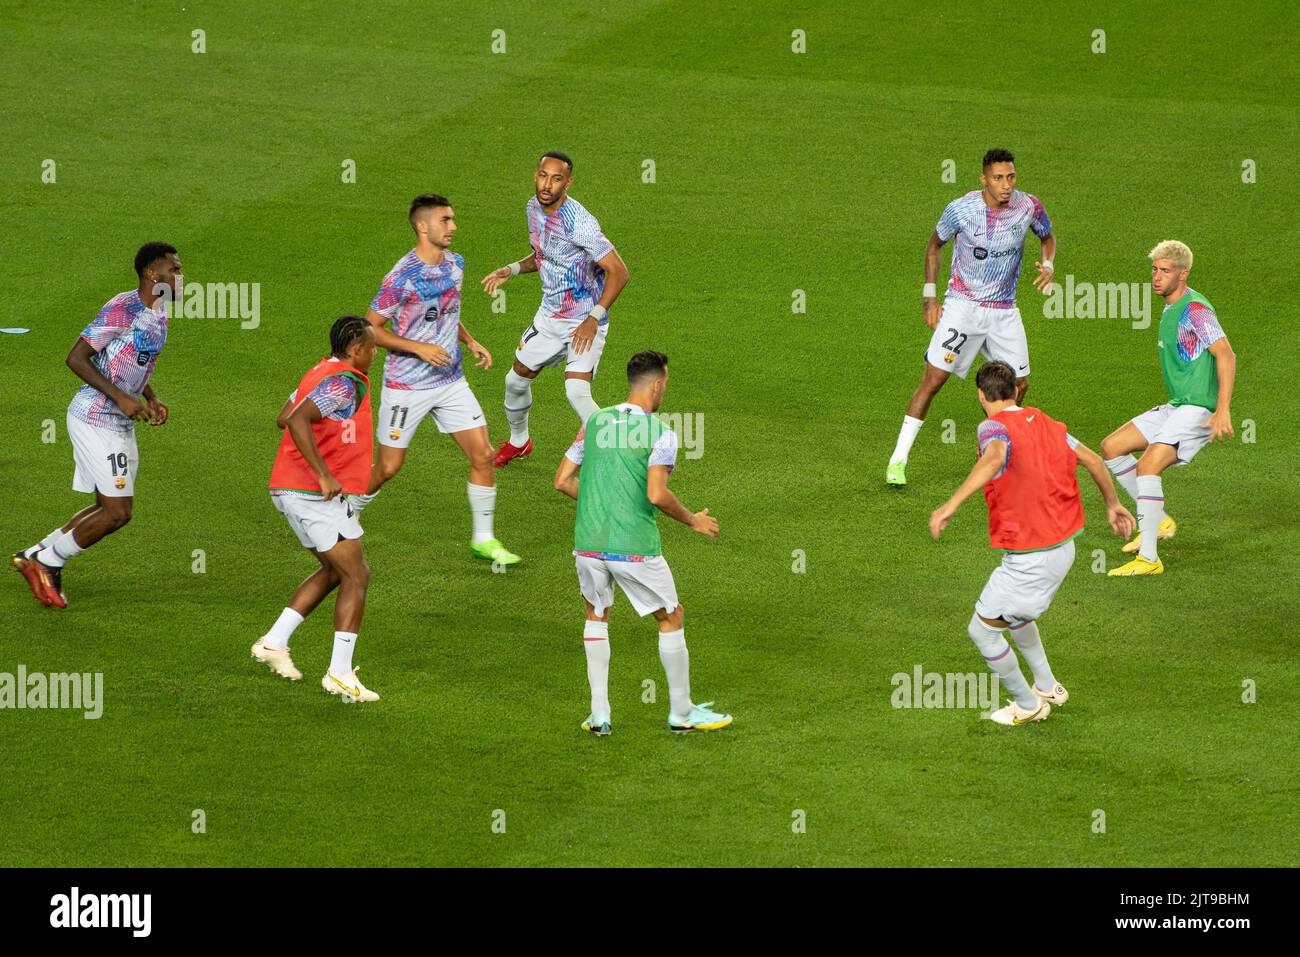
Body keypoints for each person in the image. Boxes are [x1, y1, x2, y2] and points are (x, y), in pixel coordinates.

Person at [929, 361, 1134, 726]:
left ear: (981, 395)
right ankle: (1047, 686)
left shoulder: (991, 426)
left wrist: (951, 504)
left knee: (983, 631)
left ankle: (1027, 705)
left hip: (1032, 558)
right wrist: (1113, 504)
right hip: (1063, 547)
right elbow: (1091, 459)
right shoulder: (1047, 423)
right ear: (1016, 391)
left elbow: (994, 457)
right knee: (1016, 618)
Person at [553, 350, 730, 736]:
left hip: (588, 542)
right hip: (632, 545)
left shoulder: (595, 421)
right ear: (657, 385)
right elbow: (656, 494)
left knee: (597, 615)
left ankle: (599, 715)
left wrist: (602, 503)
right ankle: (681, 713)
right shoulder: (660, 432)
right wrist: (693, 520)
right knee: (670, 616)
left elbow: (563, 480)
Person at [14, 243, 180, 608]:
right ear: (153, 274)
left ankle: (36, 553)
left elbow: (129, 360)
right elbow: (77, 357)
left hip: (120, 422)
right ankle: (48, 562)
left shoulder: (159, 312)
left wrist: (150, 396)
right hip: (95, 417)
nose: (181, 278)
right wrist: (121, 398)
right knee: (117, 511)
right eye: (175, 270)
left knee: (107, 505)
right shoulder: (124, 308)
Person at [887, 149, 1056, 486]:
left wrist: (1048, 264)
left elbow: (1047, 237)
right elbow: (934, 246)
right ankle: (898, 461)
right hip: (963, 307)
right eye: (998, 178)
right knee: (934, 379)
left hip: (1004, 311)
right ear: (983, 179)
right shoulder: (961, 210)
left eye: (1010, 177)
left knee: (1019, 385)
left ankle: (994, 447)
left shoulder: (1028, 206)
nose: (1006, 185)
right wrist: (929, 297)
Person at [253, 316, 381, 703]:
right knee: (357, 576)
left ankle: (274, 642)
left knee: (335, 571)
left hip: (288, 487)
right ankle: (340, 675)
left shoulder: (319, 371)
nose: (376, 353)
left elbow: (283, 415)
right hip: (312, 493)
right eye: (373, 347)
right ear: (356, 350)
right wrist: (324, 474)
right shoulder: (343, 382)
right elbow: (295, 420)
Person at [482, 150, 630, 467]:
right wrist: (511, 269)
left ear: (568, 183)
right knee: (515, 380)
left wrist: (594, 319)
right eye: (543, 175)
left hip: (584, 321)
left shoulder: (582, 225)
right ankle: (519, 441)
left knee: (576, 391)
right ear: (536, 176)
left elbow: (619, 272)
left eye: (556, 178)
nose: (547, 184)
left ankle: (619, 455)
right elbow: (543, 255)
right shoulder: (533, 209)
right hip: (549, 318)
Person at [1100, 240, 1236, 576]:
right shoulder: (1170, 308)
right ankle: (1158, 521)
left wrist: (1222, 410)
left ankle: (1149, 558)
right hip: (1178, 406)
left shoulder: (1195, 310)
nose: (1156, 277)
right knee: (1112, 447)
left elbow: (1226, 354)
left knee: (1148, 466)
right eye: (1154, 270)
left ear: (1183, 273)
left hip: (1197, 409)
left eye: (1165, 271)